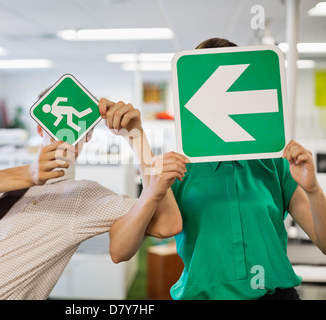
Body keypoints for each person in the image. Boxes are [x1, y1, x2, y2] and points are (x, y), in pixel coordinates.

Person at [109, 38, 326, 300]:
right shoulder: (176, 170)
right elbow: (120, 251)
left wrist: (313, 189)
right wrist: (138, 143)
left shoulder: (275, 163)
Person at [0, 93, 186, 299]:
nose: (65, 134)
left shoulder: (84, 196)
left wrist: (136, 136)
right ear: (39, 128)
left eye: (77, 127)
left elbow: (167, 225)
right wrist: (29, 175)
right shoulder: (7, 180)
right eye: (54, 123)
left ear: (87, 136)